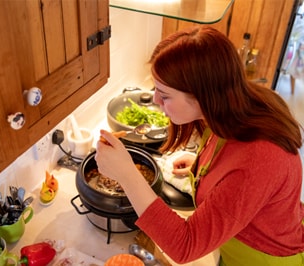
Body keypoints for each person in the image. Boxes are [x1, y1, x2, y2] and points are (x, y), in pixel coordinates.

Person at [95, 26, 304, 265]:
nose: (155, 100)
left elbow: (185, 245)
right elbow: (238, 177)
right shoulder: (231, 108)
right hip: (233, 245)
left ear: (202, 95)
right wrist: (210, 168)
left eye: (165, 94)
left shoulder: (260, 159)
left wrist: (126, 174)